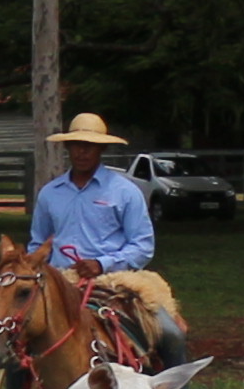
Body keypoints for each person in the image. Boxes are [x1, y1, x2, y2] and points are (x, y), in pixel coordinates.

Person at [28, 112, 158, 275]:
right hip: (59, 279)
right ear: (67, 146)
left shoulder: (125, 192)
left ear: (102, 148)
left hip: (109, 280)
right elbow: (38, 243)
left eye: (90, 145)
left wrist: (101, 264)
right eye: (76, 144)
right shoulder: (50, 193)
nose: (82, 152)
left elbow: (143, 246)